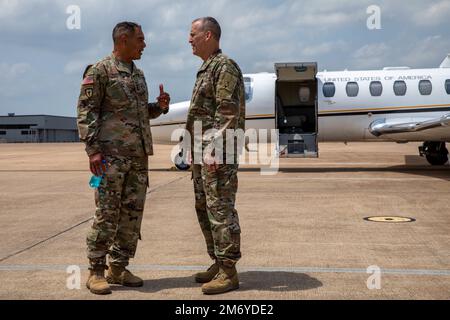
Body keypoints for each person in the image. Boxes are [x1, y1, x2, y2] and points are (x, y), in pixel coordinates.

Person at [76, 21, 170, 295]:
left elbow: (139, 113)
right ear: (123, 40)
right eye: (140, 39)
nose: (144, 44)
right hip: (110, 158)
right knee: (107, 213)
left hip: (137, 158)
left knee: (131, 215)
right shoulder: (100, 71)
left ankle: (118, 267)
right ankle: (96, 270)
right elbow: (86, 111)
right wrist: (92, 150)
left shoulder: (138, 74)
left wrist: (158, 108)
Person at [186, 17, 245, 295]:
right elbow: (202, 114)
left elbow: (227, 112)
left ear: (208, 36)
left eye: (193, 34)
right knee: (204, 209)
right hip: (202, 153)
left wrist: (215, 149)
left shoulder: (224, 67)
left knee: (220, 210)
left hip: (217, 154)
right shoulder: (206, 69)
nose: (189, 40)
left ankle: (229, 272)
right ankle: (218, 262)